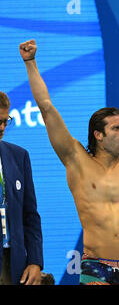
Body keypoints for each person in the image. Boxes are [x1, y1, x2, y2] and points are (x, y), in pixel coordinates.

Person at [19, 39, 119, 285]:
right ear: (98, 135)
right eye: (116, 128)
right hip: (96, 268)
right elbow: (46, 107)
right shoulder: (77, 161)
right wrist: (30, 62)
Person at [0, 91, 43, 285]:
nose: (2, 127)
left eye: (5, 120)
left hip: (13, 265)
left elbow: (30, 215)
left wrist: (35, 261)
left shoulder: (19, 156)